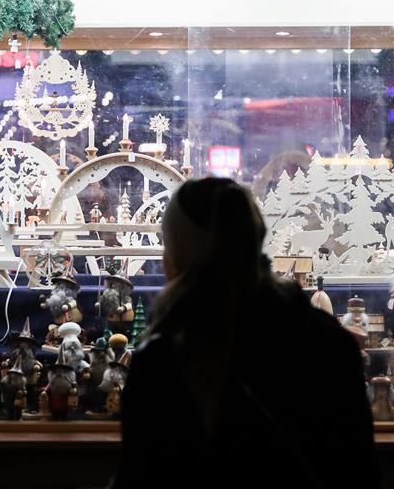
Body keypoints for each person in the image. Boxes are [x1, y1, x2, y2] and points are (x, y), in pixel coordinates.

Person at [111, 178, 379, 488]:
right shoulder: (329, 343)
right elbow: (362, 474)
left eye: (167, 247)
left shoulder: (164, 360)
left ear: (174, 260)